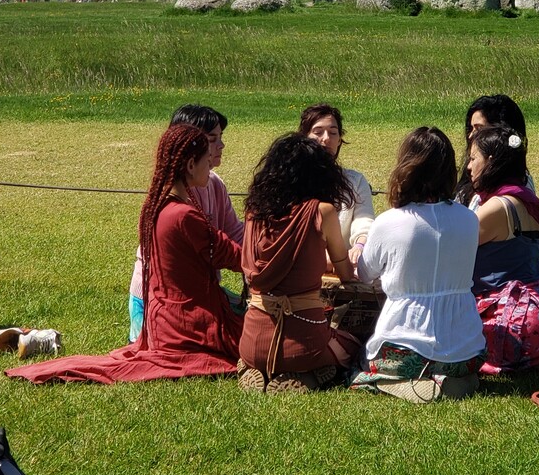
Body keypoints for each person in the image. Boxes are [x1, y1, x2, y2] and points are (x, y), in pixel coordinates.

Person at [7, 124, 243, 384]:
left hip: (163, 320)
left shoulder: (159, 206)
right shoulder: (182, 214)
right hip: (188, 324)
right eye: (206, 158)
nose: (211, 161)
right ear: (189, 165)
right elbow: (230, 255)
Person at [350, 127, 486, 403]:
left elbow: (364, 274)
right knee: (457, 365)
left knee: (355, 368)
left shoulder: (390, 221)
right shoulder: (470, 219)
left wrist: (359, 249)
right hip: (468, 351)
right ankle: (456, 380)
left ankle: (398, 383)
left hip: (407, 347)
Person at [237, 134, 360, 392]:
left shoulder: (254, 213)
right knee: (350, 346)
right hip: (305, 338)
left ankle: (254, 366)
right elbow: (344, 271)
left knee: (258, 350)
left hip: (252, 339)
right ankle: (311, 375)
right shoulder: (322, 211)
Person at [468, 125, 539, 374]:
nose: (468, 166)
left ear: (491, 161)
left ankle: (538, 363)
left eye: (473, 158)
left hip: (522, 321)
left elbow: (452, 252)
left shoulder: (496, 208)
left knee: (457, 339)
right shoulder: (528, 202)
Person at [128, 104, 245, 343]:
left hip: (192, 297)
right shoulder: (180, 209)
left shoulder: (211, 184)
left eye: (221, 138)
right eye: (212, 140)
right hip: (169, 303)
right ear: (190, 157)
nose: (220, 146)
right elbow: (225, 252)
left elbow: (235, 233)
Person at [297, 104, 374, 259]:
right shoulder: (291, 178)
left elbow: (364, 220)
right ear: (304, 137)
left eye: (333, 133)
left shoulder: (355, 181)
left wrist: (360, 245)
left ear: (340, 140)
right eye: (318, 132)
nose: (326, 138)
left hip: (342, 266)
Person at [456, 94, 534, 209]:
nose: (471, 135)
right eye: (471, 128)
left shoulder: (516, 186)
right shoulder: (476, 173)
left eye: (479, 129)